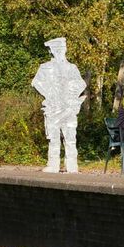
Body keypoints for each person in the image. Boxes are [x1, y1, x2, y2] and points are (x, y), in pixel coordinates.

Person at [31, 37, 87, 173]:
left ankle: (72, 164)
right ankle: (53, 164)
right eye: (56, 49)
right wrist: (49, 94)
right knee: (54, 137)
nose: (59, 51)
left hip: (69, 108)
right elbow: (36, 83)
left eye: (61, 49)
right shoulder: (45, 67)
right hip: (53, 108)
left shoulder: (72, 68)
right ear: (52, 51)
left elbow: (81, 84)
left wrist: (72, 96)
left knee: (70, 137)